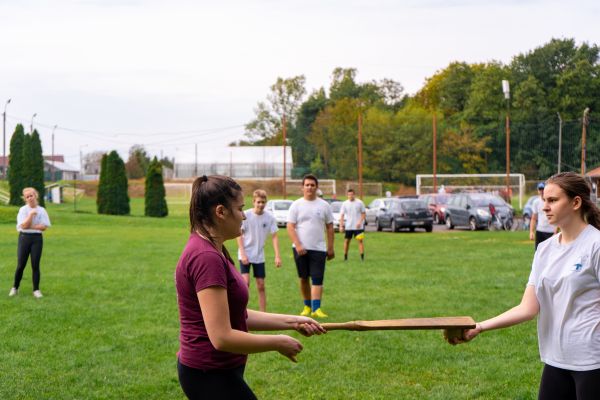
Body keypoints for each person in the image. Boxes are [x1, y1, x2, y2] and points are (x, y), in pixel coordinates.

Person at [446, 172, 600, 400]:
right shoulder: (545, 249)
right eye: (544, 200)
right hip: (555, 359)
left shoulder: (595, 245)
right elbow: (527, 308)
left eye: (553, 200)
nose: (544, 206)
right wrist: (480, 326)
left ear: (576, 202)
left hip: (592, 361)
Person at [175, 175, 325, 400]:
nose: (244, 215)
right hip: (208, 373)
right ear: (220, 212)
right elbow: (222, 337)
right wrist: (278, 342)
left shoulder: (213, 249)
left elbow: (238, 315)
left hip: (218, 370)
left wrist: (293, 321)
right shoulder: (206, 257)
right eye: (239, 208)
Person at [287, 174, 335, 319]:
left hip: (319, 249)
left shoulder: (324, 205)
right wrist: (298, 245)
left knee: (317, 279)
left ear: (317, 187)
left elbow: (330, 227)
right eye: (307, 185)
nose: (309, 187)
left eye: (312, 185)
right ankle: (307, 306)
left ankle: (316, 308)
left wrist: (331, 247)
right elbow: (290, 226)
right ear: (302, 187)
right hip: (300, 249)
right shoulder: (296, 205)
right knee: (303, 278)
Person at [236, 189, 282, 312]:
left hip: (259, 256)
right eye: (258, 202)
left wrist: (277, 256)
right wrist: (243, 253)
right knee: (245, 284)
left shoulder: (269, 217)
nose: (261, 205)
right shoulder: (246, 215)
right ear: (253, 202)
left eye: (263, 202)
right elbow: (239, 235)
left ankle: (263, 313)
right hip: (245, 255)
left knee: (261, 285)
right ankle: (242, 311)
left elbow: (275, 236)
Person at [9, 187, 51, 298]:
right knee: (21, 265)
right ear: (25, 199)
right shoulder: (23, 210)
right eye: (27, 197)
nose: (30, 198)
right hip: (24, 238)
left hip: (37, 239)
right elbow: (23, 226)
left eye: (31, 195)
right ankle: (15, 288)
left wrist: (31, 226)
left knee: (35, 265)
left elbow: (44, 227)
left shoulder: (42, 210)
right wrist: (31, 215)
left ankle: (36, 290)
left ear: (35, 195)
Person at [339, 188, 366, 261]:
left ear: (354, 195)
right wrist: (341, 226)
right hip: (349, 226)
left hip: (358, 227)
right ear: (347, 195)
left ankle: (362, 258)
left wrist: (360, 222)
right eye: (349, 195)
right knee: (347, 241)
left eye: (352, 194)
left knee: (360, 241)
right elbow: (342, 215)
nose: (350, 196)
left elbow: (363, 214)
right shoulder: (345, 203)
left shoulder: (360, 203)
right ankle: (345, 257)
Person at [530, 182, 557, 250]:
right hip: (540, 231)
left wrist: (555, 231)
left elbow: (557, 217)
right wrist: (531, 232)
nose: (542, 191)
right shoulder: (536, 202)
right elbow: (533, 218)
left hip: (551, 231)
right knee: (539, 252)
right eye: (540, 189)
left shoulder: (553, 201)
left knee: (551, 252)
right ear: (538, 190)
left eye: (543, 189)